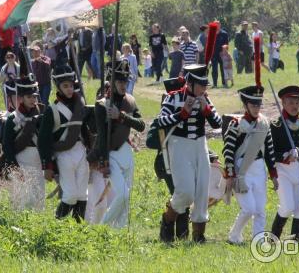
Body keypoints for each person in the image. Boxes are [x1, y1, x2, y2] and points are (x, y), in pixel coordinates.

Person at [157, 64, 222, 243]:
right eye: (200, 85)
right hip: (179, 145)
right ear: (190, 83)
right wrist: (181, 113)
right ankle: (168, 221)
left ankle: (199, 234)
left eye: (204, 85)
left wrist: (206, 110)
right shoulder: (173, 97)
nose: (203, 89)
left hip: (200, 145)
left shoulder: (205, 99)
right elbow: (161, 121)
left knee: (202, 190)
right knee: (185, 191)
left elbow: (217, 123)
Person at [223, 85, 278, 244]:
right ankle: (234, 236)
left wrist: (273, 174)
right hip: (242, 170)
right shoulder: (236, 124)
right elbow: (228, 151)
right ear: (246, 105)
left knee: (260, 210)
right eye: (253, 104)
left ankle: (259, 239)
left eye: (258, 104)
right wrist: (231, 174)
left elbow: (269, 150)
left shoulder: (264, 124)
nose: (256, 108)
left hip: (259, 168)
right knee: (249, 209)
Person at [93, 60, 145, 228]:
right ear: (112, 81)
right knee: (122, 194)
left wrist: (121, 116)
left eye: (125, 81)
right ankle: (102, 228)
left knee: (126, 198)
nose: (123, 85)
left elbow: (141, 125)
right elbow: (101, 135)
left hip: (126, 152)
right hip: (111, 154)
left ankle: (118, 233)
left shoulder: (130, 100)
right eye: (120, 81)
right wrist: (103, 160)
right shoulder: (102, 105)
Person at [38, 65, 92, 221]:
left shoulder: (80, 105)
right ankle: (57, 225)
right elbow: (43, 141)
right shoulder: (52, 110)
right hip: (63, 154)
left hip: (80, 151)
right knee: (70, 195)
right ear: (58, 87)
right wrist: (47, 166)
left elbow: (87, 131)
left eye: (71, 85)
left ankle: (78, 230)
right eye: (65, 86)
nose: (69, 89)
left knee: (82, 194)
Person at [270, 86, 299, 241]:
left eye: (296, 103)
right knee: (287, 206)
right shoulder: (276, 126)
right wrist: (285, 155)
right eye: (290, 103)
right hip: (283, 170)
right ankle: (273, 238)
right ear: (283, 103)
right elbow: (269, 153)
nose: (294, 106)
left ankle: (296, 243)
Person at [2, 76, 46, 211]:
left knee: (38, 200)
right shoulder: (13, 119)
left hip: (37, 163)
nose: (33, 100)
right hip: (21, 162)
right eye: (29, 97)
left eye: (35, 97)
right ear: (21, 98)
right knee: (21, 201)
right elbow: (7, 146)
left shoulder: (42, 115)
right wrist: (15, 168)